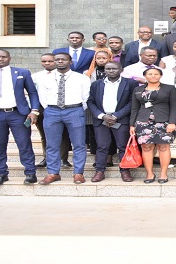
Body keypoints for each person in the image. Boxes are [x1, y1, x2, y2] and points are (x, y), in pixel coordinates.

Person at [0, 50, 40, 185]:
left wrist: (34, 111)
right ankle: (1, 174)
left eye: (4, 56)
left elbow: (33, 93)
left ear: (9, 58)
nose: (0, 59)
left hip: (18, 114)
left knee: (24, 144)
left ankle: (30, 173)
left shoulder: (22, 72)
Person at [35, 53, 91, 184]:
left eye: (64, 59)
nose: (60, 61)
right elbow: (42, 97)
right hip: (52, 111)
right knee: (52, 144)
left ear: (70, 62)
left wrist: (75, 108)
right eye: (57, 59)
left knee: (79, 144)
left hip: (74, 110)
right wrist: (51, 108)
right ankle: (53, 173)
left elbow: (86, 97)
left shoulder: (81, 78)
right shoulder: (45, 79)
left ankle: (78, 173)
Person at [87, 61, 138, 182]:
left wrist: (116, 115)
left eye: (114, 68)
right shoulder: (96, 84)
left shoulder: (130, 83)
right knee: (102, 146)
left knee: (122, 146)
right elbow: (91, 101)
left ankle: (125, 171)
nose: (110, 71)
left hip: (121, 119)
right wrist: (102, 115)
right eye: (108, 69)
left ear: (121, 70)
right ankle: (99, 171)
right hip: (101, 120)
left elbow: (132, 102)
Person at [130, 67, 176, 184]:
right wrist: (132, 125)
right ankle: (149, 173)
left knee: (164, 147)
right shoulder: (138, 89)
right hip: (143, 122)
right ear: (145, 76)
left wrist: (173, 122)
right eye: (150, 74)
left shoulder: (170, 88)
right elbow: (134, 108)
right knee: (146, 147)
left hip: (164, 122)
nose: (153, 76)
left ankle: (163, 173)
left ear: (160, 76)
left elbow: (174, 106)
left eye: (156, 74)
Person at [32, 54, 58, 167]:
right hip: (42, 109)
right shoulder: (35, 76)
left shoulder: (63, 74)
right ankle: (47, 158)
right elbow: (32, 94)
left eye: (50, 61)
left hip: (60, 107)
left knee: (63, 135)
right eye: (44, 61)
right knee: (45, 135)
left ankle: (63, 158)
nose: (47, 63)